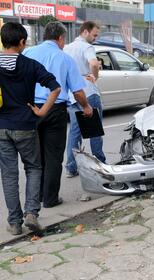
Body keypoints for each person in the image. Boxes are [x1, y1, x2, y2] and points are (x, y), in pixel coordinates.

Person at [0, 22, 61, 235]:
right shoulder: (30, 64)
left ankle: (14, 223)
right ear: (22, 42)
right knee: (34, 168)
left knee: (8, 175)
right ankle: (32, 214)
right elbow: (55, 86)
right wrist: (43, 111)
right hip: (26, 125)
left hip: (1, 128)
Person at [23, 21, 93, 208]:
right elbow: (78, 92)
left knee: (35, 156)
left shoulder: (28, 53)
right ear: (60, 38)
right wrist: (86, 107)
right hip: (55, 109)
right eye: (64, 40)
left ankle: (35, 197)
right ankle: (50, 198)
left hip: (31, 109)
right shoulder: (65, 59)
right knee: (53, 155)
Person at [64, 21, 106, 178]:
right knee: (94, 131)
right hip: (88, 93)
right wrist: (95, 76)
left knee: (75, 133)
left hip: (73, 95)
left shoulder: (67, 48)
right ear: (85, 32)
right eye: (94, 35)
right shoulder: (86, 47)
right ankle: (99, 164)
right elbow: (94, 63)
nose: (95, 38)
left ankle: (71, 167)